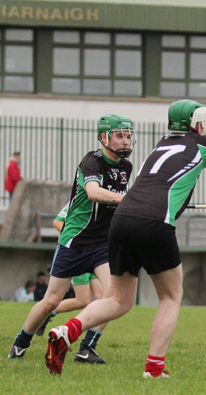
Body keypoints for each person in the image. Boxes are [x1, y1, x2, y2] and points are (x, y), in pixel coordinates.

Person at [44, 99, 206, 376]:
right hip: (155, 223)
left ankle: (67, 330)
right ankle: (154, 369)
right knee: (171, 297)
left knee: (119, 301)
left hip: (121, 220)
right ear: (198, 123)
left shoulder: (162, 144)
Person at [8, 114, 134, 365]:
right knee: (51, 301)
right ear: (104, 138)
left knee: (114, 298)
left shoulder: (126, 168)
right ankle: (21, 343)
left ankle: (87, 347)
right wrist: (126, 199)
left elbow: (118, 203)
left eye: (128, 135)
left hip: (102, 245)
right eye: (119, 135)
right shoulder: (92, 162)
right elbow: (94, 193)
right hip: (74, 241)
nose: (125, 140)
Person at [36, 204, 104, 343]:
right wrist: (78, 238)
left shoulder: (106, 201)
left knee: (104, 299)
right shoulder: (80, 199)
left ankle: (89, 344)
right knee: (82, 301)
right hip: (80, 254)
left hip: (98, 254)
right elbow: (57, 221)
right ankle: (48, 313)